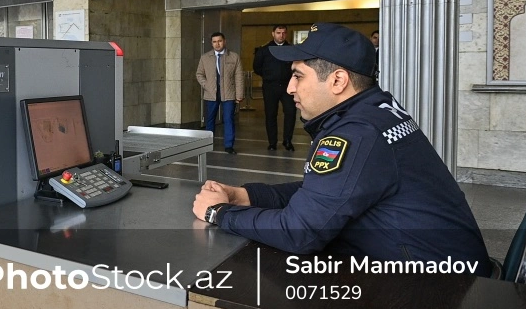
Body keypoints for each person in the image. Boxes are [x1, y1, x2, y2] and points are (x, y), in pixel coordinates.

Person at [192, 23, 490, 273]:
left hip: (436, 288)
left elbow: (299, 232)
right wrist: (245, 195)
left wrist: (219, 213)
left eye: (298, 76)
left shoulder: (357, 132)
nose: (289, 88)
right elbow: (325, 194)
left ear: (337, 80)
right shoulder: (374, 110)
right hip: (433, 263)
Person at [195, 32, 244, 154]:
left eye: (219, 41)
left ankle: (229, 145)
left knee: (228, 119)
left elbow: (239, 76)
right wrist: (207, 85)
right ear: (211, 43)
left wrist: (239, 94)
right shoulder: (205, 57)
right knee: (210, 120)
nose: (217, 44)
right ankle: (208, 143)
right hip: (211, 94)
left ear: (224, 41)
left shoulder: (233, 57)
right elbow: (199, 74)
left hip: (229, 93)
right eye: (214, 41)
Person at [253, 25, 298, 151]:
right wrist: (268, 76)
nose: (281, 35)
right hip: (270, 86)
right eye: (278, 33)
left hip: (287, 86)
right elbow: (257, 67)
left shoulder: (291, 49)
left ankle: (287, 141)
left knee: (290, 113)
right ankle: (272, 142)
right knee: (270, 114)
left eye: (284, 33)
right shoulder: (264, 50)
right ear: (273, 33)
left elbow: (297, 66)